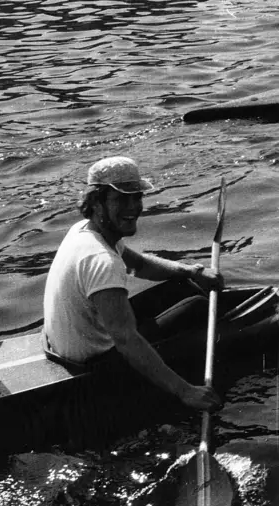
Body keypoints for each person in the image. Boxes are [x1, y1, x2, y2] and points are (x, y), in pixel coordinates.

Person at [43, 156, 221, 415]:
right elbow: (126, 340)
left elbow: (139, 265)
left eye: (136, 197)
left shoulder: (85, 229)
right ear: (96, 203)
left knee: (184, 284)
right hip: (93, 363)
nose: (133, 207)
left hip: (69, 342)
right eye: (121, 199)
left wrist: (193, 270)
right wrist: (185, 391)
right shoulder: (101, 260)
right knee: (197, 306)